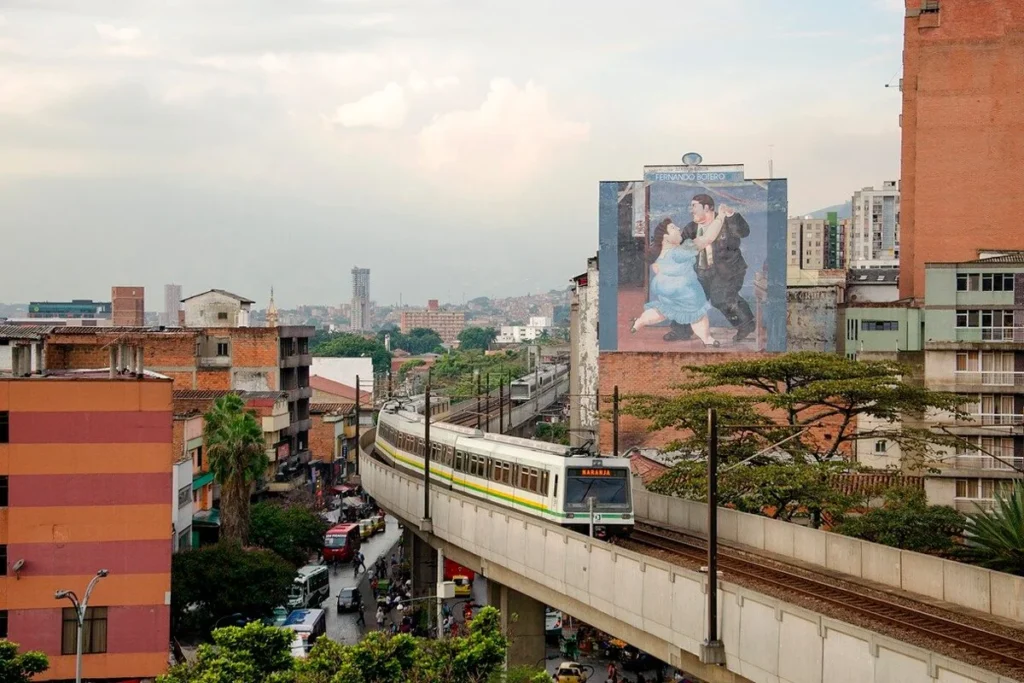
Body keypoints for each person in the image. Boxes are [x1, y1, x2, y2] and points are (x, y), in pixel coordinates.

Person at [666, 193, 755, 343]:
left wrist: (732, 214)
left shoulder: (727, 222)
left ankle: (746, 324)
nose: (691, 210)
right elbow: (682, 247)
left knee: (721, 297)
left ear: (706, 207)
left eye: (694, 206)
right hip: (701, 270)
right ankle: (681, 331)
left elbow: (744, 232)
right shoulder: (692, 227)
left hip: (727, 270)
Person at [631, 212, 727, 347]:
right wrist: (720, 217)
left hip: (663, 287)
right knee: (697, 313)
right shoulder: (680, 251)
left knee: (664, 310)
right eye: (673, 228)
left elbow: (656, 269)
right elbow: (707, 238)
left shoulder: (660, 253)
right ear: (666, 237)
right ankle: (707, 339)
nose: (678, 229)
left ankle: (639, 322)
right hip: (684, 289)